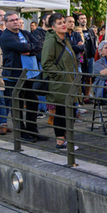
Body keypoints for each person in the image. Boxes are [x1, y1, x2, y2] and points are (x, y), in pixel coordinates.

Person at [0, 11, 47, 142]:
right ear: (6, 22)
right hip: (14, 76)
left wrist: (29, 50)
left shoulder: (25, 33)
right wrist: (29, 48)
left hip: (30, 75)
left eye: (16, 19)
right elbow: (20, 46)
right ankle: (21, 133)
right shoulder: (6, 37)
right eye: (12, 20)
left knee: (33, 101)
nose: (15, 22)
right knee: (18, 105)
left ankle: (32, 130)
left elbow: (39, 45)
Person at [41, 13, 79, 150]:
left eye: (64, 22)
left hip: (69, 81)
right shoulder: (52, 40)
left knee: (70, 111)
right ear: (52, 26)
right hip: (60, 82)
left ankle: (65, 138)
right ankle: (60, 141)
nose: (63, 24)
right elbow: (46, 63)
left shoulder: (65, 39)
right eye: (59, 23)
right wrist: (61, 75)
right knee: (63, 112)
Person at [77, 14, 98, 97]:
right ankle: (80, 94)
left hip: (90, 57)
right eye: (81, 18)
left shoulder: (90, 31)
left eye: (85, 18)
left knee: (89, 76)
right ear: (78, 20)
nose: (83, 20)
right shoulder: (77, 31)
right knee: (80, 77)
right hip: (81, 57)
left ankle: (87, 94)